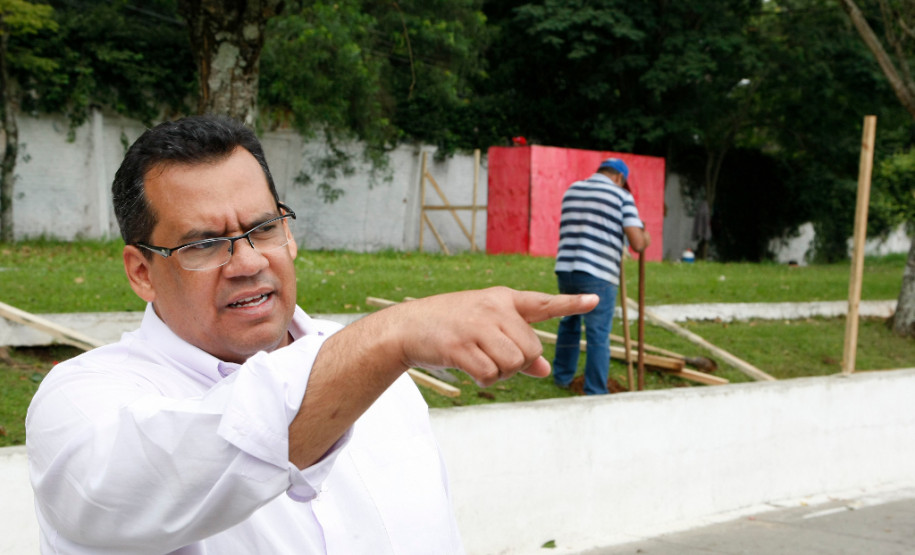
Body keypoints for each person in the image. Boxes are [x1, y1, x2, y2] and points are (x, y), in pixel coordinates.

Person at [26, 115, 598, 553]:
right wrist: (387, 336)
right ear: (141, 272)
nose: (247, 261)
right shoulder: (82, 404)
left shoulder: (385, 379)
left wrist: (382, 347)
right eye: (203, 243)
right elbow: (178, 462)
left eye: (263, 228)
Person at [552, 158, 650, 395]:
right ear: (619, 178)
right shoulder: (621, 196)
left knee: (570, 322)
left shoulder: (572, 189)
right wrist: (645, 236)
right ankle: (596, 389)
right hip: (598, 272)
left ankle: (562, 376)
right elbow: (637, 242)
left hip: (566, 269)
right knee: (598, 332)